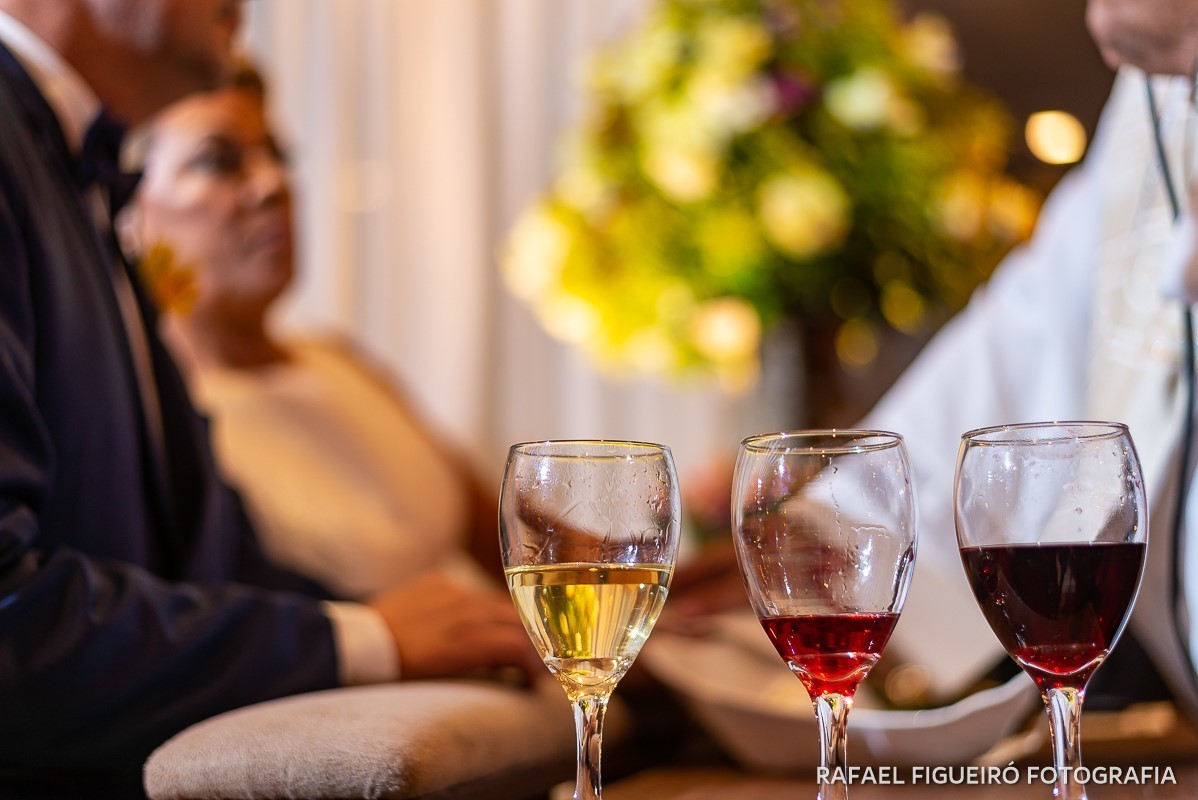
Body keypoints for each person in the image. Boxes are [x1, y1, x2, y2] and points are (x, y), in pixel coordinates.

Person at [0, 2, 538, 795]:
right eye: (219, 161)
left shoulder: (68, 166)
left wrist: (415, 631)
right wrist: (365, 641)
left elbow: (205, 562)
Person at [117, 66, 504, 599]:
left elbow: (523, 544)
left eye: (278, 155)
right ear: (128, 214)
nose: (273, 184)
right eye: (219, 161)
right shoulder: (150, 417)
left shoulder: (338, 361)